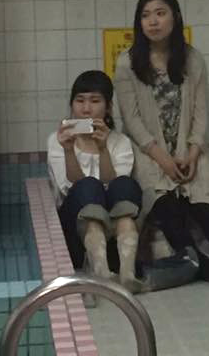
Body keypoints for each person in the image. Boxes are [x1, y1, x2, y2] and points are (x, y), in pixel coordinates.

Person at [114, 0, 209, 285]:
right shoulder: (127, 63)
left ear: (176, 17)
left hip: (188, 146)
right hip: (148, 151)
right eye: (146, 15)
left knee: (203, 197)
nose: (153, 21)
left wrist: (192, 153)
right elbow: (132, 121)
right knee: (163, 199)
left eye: (160, 13)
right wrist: (164, 160)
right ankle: (198, 262)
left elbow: (200, 113)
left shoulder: (193, 60)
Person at [47, 70, 142, 299]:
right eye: (80, 101)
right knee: (88, 187)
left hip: (113, 229)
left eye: (95, 101)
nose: (86, 108)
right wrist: (69, 150)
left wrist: (103, 149)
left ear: (108, 107)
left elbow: (114, 186)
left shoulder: (120, 142)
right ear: (72, 105)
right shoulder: (57, 141)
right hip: (76, 229)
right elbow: (69, 188)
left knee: (125, 185)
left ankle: (127, 273)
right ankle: (101, 273)